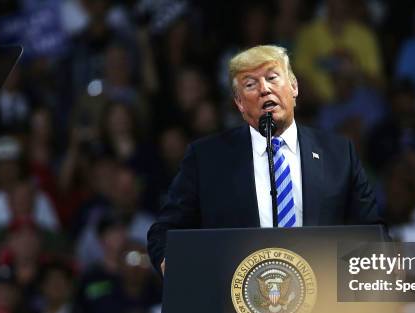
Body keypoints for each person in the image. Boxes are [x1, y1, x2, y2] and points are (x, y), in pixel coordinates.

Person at [147, 44, 382, 275]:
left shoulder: (338, 154)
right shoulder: (207, 158)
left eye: (272, 78)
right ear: (239, 103)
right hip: (235, 304)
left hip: (323, 302)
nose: (264, 89)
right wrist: (172, 263)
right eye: (250, 84)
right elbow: (165, 231)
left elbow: (373, 232)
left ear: (294, 87)